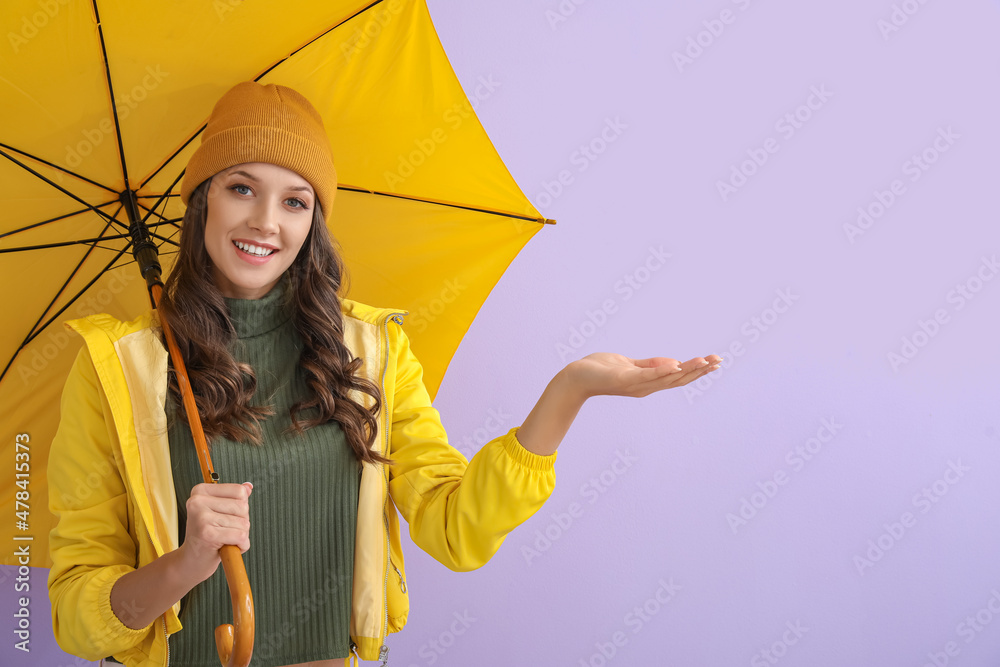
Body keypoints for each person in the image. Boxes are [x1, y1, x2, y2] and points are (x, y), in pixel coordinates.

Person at [46, 81, 721, 667]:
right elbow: (76, 614)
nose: (263, 222)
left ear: (315, 222)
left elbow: (454, 529)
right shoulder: (119, 369)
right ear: (203, 201)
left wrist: (570, 389)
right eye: (241, 187)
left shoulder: (371, 352)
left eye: (295, 201)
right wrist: (184, 563)